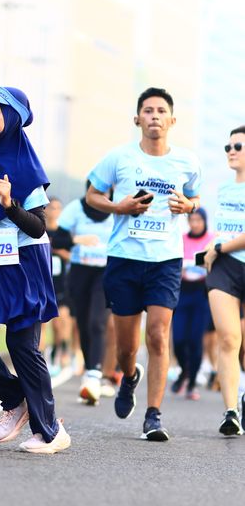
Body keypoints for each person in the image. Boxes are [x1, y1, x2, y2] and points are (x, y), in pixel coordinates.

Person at [0, 86, 71, 454]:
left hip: (24, 260)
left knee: (21, 346)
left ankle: (50, 431)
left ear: (13, 118)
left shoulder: (24, 164)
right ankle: (14, 398)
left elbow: (37, 226)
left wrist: (9, 205)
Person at [86, 87, 201, 441]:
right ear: (137, 119)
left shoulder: (187, 162)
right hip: (124, 258)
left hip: (165, 260)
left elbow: (195, 197)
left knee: (158, 336)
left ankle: (153, 415)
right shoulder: (118, 157)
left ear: (172, 120)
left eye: (161, 111)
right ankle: (129, 376)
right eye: (148, 111)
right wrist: (118, 207)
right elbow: (92, 195)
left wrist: (189, 206)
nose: (154, 116)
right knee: (126, 348)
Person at [204, 126, 245, 435]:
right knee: (229, 339)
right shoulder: (224, 190)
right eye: (228, 147)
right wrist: (214, 247)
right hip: (224, 268)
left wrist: (218, 247)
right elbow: (224, 230)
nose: (231, 151)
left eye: (238, 147)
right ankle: (231, 412)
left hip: (224, 253)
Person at [58, 182, 114, 404]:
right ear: (89, 190)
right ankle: (90, 371)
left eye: (105, 191)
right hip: (80, 272)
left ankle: (94, 375)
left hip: (105, 273)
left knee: (97, 322)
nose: (102, 195)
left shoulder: (117, 209)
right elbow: (58, 239)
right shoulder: (75, 208)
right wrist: (76, 240)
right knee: (82, 323)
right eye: (97, 190)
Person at [171, 208, 213, 401]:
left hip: (202, 294)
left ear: (204, 221)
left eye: (198, 220)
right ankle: (184, 371)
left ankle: (192, 382)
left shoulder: (211, 240)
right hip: (183, 292)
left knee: (195, 340)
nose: (195, 224)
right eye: (192, 220)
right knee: (178, 340)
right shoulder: (181, 239)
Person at [41, 197, 73, 376]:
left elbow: (71, 255)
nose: (54, 211)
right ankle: (42, 359)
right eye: (51, 207)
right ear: (45, 209)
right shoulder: (39, 229)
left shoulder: (63, 233)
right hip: (43, 283)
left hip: (61, 285)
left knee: (61, 324)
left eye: (58, 208)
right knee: (41, 325)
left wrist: (58, 251)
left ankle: (58, 350)